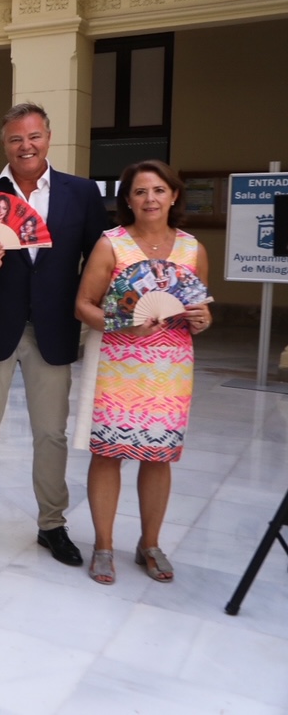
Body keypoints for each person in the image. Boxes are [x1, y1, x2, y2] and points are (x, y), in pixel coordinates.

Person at [0, 103, 105, 565]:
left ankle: (51, 524)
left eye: (33, 137)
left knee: (51, 433)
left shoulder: (80, 193)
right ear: (5, 145)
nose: (25, 146)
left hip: (53, 328)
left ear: (48, 138)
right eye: (16, 139)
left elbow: (99, 260)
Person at [75, 160, 211, 585]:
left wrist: (202, 320)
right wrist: (121, 322)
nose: (149, 199)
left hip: (170, 367)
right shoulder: (111, 245)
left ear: (173, 195)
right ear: (127, 200)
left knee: (159, 456)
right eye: (139, 192)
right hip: (118, 362)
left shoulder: (192, 249)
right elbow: (84, 304)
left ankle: (149, 543)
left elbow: (198, 307)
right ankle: (102, 545)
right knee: (108, 452)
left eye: (158, 190)